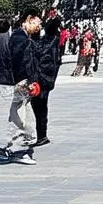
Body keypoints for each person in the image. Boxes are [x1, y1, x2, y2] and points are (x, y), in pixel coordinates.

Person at [0, 9, 43, 164]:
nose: (39, 27)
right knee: (22, 118)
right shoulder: (19, 38)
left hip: (24, 83)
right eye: (37, 23)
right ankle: (18, 150)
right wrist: (25, 81)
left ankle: (7, 147)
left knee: (21, 116)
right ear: (28, 19)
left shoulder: (23, 37)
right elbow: (19, 63)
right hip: (21, 84)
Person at [31, 14, 63, 148]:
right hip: (47, 80)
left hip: (41, 79)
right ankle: (42, 135)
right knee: (42, 107)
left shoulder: (48, 42)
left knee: (38, 107)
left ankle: (41, 135)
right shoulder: (54, 41)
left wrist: (32, 37)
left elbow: (39, 51)